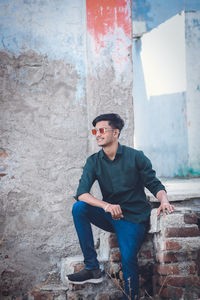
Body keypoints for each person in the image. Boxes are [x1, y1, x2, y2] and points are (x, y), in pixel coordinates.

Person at [67, 113, 175, 300]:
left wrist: (164, 200)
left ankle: (131, 296)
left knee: (128, 258)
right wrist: (106, 205)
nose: (97, 134)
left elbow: (155, 184)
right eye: (95, 131)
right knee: (79, 208)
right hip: (111, 215)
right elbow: (82, 194)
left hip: (133, 218)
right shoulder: (93, 161)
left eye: (102, 130)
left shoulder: (136, 157)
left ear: (115, 132)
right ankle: (92, 267)